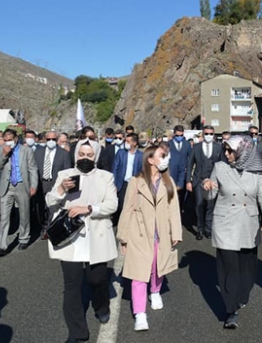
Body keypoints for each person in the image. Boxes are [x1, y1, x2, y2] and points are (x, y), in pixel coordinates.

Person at [46, 140, 118, 343]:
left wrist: (89, 209)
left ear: (95, 156)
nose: (84, 158)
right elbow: (50, 201)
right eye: (81, 154)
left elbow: (112, 204)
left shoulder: (106, 177)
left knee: (97, 279)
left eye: (89, 155)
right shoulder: (65, 175)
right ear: (76, 155)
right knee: (72, 284)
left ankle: (102, 306)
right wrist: (61, 189)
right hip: (70, 237)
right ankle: (77, 332)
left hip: (96, 233)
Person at [201, 134, 262, 328]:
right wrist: (207, 186)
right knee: (229, 268)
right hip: (225, 223)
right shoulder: (220, 168)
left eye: (230, 150)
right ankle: (230, 310)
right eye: (225, 150)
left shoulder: (257, 172)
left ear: (243, 150)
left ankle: (241, 295)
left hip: (248, 224)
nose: (226, 154)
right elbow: (211, 193)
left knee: (248, 268)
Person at [117, 145, 182, 332]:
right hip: (139, 234)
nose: (166, 159)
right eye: (162, 156)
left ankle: (155, 291)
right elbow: (127, 209)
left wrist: (175, 232)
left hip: (161, 233)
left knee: (157, 267)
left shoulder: (168, 182)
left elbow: (173, 209)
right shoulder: (135, 182)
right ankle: (140, 314)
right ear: (150, 160)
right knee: (138, 275)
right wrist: (123, 237)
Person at [0, 129, 38, 255]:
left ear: (16, 139)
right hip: (6, 186)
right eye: (6, 140)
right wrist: (4, 155)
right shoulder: (2, 149)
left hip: (22, 185)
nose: (8, 142)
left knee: (24, 213)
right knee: (4, 217)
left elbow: (33, 169)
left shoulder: (26, 151)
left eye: (10, 140)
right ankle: (1, 245)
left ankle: (24, 238)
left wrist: (33, 185)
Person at [186, 125, 222, 240]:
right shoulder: (196, 147)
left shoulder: (218, 147)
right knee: (199, 204)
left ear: (214, 134)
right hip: (198, 180)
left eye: (211, 134)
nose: (208, 136)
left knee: (210, 206)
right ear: (203, 134)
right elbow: (190, 164)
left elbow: (222, 165)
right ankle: (200, 229)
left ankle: (208, 229)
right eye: (206, 133)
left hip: (213, 181)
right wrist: (188, 181)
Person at [34, 131, 72, 238]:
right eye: (48, 139)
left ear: (57, 140)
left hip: (55, 183)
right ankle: (43, 223)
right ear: (45, 140)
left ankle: (48, 229)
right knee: (40, 207)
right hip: (41, 183)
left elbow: (67, 171)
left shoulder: (63, 153)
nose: (51, 141)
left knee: (52, 207)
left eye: (53, 139)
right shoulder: (38, 152)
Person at [112, 133, 143, 226]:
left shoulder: (141, 155)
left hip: (133, 184)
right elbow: (114, 168)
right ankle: (117, 223)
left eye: (128, 141)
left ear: (134, 143)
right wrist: (114, 184)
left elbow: (142, 171)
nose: (126, 143)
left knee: (131, 205)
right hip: (122, 183)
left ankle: (128, 224)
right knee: (120, 205)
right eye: (126, 141)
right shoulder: (121, 153)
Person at [169, 125, 191, 201]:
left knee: (182, 195)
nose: (179, 137)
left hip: (183, 173)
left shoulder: (187, 144)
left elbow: (190, 158)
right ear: (174, 134)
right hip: (172, 172)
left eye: (181, 135)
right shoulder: (169, 144)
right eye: (177, 135)